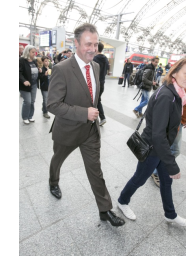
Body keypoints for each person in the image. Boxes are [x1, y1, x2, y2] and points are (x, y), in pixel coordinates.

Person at [47, 23, 125, 227]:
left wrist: (92, 114)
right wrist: (84, 113)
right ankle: (53, 181)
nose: (93, 48)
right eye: (88, 44)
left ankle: (105, 209)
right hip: (67, 130)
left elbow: (93, 95)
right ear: (76, 44)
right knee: (57, 160)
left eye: (96, 44)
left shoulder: (96, 66)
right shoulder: (61, 69)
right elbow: (52, 104)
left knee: (95, 170)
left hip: (90, 131)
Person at [117, 55, 186, 227]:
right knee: (139, 179)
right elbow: (158, 134)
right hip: (153, 149)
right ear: (175, 72)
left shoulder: (176, 92)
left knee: (166, 181)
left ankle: (170, 214)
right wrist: (171, 164)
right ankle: (122, 201)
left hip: (161, 148)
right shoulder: (167, 95)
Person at [151, 87, 186, 187]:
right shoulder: (172, 88)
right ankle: (156, 171)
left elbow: (185, 104)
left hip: (180, 121)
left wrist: (185, 118)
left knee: (172, 150)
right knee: (173, 150)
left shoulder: (183, 86)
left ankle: (158, 169)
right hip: (174, 123)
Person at [19, 45, 42, 124]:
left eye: (34, 52)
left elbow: (33, 70)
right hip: (25, 85)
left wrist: (39, 70)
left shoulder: (34, 61)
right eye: (32, 52)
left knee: (32, 101)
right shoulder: (21, 60)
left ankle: (30, 116)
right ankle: (25, 117)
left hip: (34, 84)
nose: (34, 54)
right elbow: (19, 72)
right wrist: (24, 80)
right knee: (27, 101)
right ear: (27, 52)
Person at [93, 42, 109, 126]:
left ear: (96, 48)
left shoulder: (94, 59)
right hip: (102, 83)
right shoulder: (105, 59)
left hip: (95, 83)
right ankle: (101, 118)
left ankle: (101, 118)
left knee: (95, 100)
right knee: (97, 100)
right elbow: (107, 70)